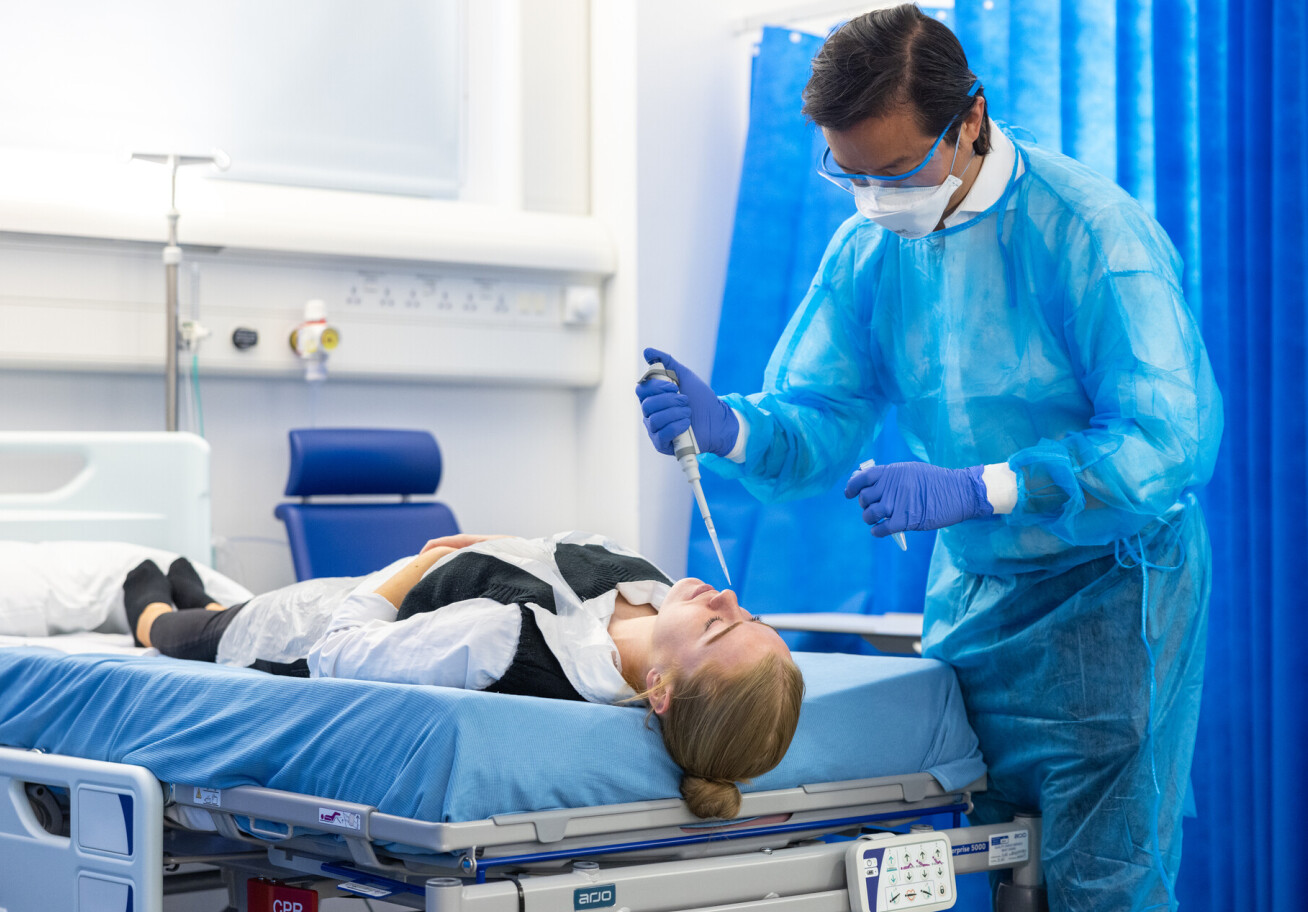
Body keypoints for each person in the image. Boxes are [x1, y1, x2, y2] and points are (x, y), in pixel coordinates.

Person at [635, 6, 1221, 910]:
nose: (875, 199)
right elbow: (819, 416)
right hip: (979, 599)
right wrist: (733, 430)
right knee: (998, 867)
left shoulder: (1091, 235)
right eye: (851, 175)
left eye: (899, 171)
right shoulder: (872, 245)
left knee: (1101, 881)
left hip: (1112, 596)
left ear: (972, 120)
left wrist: (980, 485)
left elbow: (1165, 441)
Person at [123, 531, 804, 820]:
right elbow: (554, 551)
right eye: (745, 614)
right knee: (221, 604)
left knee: (184, 626)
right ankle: (210, 604)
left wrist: (420, 566)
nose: (722, 599)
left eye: (717, 628)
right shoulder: (655, 590)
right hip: (393, 585)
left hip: (317, 623)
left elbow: (339, 649)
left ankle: (159, 618)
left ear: (659, 691)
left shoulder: (506, 642)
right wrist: (484, 542)